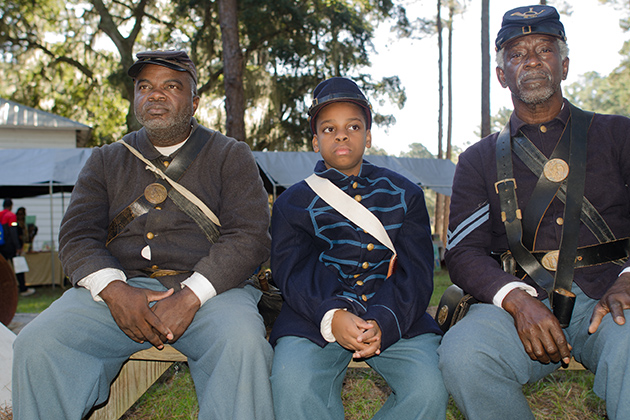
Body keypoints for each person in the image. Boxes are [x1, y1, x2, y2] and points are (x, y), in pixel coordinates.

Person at [12, 50, 274, 420]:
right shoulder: (106, 159)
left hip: (213, 294)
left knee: (243, 346)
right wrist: (114, 291)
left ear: (194, 101)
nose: (155, 95)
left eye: (171, 86)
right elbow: (77, 236)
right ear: (135, 98)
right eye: (145, 87)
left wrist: (191, 296)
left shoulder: (231, 155)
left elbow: (249, 236)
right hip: (121, 292)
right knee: (39, 344)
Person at [438, 5, 630, 419]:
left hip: (610, 297)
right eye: (517, 52)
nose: (532, 60)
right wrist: (515, 301)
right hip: (526, 301)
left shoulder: (619, 134)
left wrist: (629, 280)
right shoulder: (478, 158)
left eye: (544, 49)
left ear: (564, 65)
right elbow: (463, 252)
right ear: (502, 74)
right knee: (464, 354)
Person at [269, 77, 448, 419]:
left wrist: (384, 320)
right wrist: (333, 315)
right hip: (315, 315)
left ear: (368, 135)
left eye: (353, 126)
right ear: (315, 140)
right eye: (328, 128)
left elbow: (418, 272)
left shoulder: (405, 193)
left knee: (428, 389)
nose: (341, 135)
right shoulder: (292, 202)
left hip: (396, 315)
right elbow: (292, 272)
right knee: (294, 383)